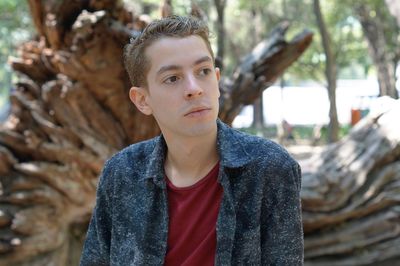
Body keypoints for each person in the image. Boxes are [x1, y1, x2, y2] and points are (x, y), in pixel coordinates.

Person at [80, 15, 303, 265]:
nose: (194, 88)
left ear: (217, 82)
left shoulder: (270, 169)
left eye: (203, 71)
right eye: (172, 78)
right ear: (142, 100)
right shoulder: (121, 174)